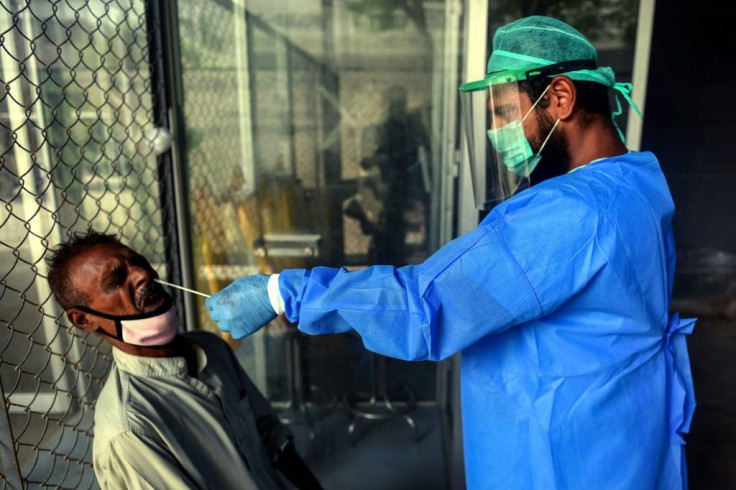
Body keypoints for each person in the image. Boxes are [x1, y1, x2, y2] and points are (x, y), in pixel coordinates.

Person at [206, 16, 696, 489]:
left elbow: (425, 306)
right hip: (622, 438)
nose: (497, 131)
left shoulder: (567, 213)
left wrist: (281, 292)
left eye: (506, 111)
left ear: (561, 97)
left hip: (561, 457)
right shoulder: (637, 181)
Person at [46, 231, 322, 490]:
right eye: (116, 281)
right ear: (84, 319)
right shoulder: (130, 429)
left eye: (138, 263)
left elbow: (273, 438)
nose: (143, 274)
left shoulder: (212, 347)